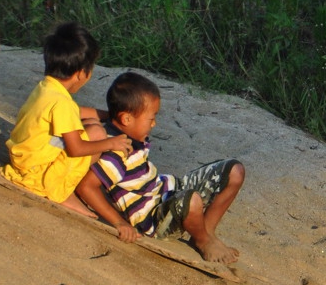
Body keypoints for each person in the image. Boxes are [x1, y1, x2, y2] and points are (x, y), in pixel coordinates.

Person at [77, 71, 245, 264]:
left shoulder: (127, 133)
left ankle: (207, 232)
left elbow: (75, 111)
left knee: (234, 171)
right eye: (151, 118)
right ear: (126, 119)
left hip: (169, 189)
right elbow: (86, 186)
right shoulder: (117, 151)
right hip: (155, 218)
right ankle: (203, 241)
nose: (154, 123)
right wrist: (119, 223)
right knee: (192, 201)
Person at [1, 22, 128, 215]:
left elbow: (75, 112)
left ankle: (64, 185)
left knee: (93, 124)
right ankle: (64, 191)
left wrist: (107, 115)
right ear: (81, 74)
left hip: (24, 161)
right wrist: (111, 143)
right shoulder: (62, 103)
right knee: (96, 133)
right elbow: (76, 149)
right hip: (38, 176)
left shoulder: (47, 88)